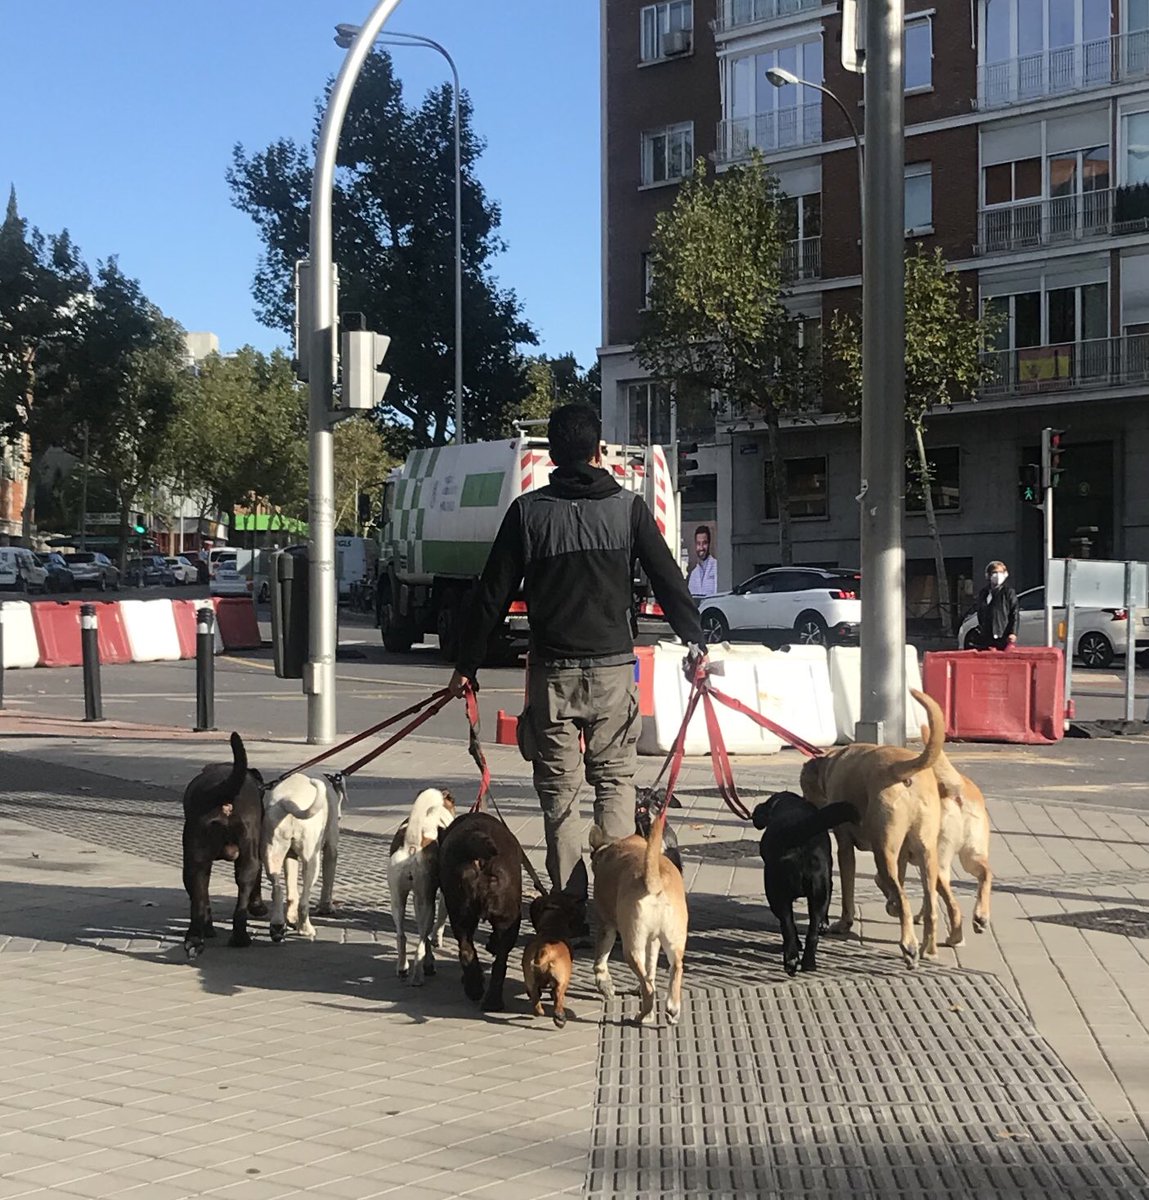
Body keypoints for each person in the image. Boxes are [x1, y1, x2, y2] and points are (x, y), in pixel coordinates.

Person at [449, 404, 706, 892]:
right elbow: (668, 580)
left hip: (552, 676)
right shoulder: (629, 509)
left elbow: (491, 595)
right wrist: (696, 642)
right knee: (615, 782)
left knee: (560, 795)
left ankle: (568, 905)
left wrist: (467, 665)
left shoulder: (527, 513)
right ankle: (617, 898)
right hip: (613, 673)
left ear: (553, 455)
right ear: (598, 452)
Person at [974, 560, 1019, 649]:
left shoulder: (1008, 592)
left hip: (1003, 635)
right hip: (986, 635)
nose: (998, 575)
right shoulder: (984, 592)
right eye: (994, 572)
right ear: (988, 575)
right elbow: (980, 612)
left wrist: (1013, 633)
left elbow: (1014, 613)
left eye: (1001, 572)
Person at [687, 525, 718, 597]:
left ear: (709, 544)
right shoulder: (693, 574)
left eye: (704, 543)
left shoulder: (717, 568)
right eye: (698, 543)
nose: (701, 548)